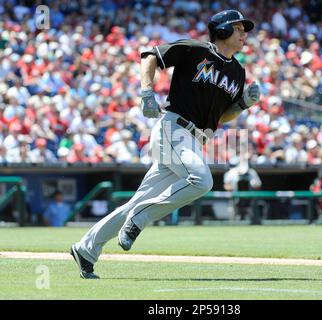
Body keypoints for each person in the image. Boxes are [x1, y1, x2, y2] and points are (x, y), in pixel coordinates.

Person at [70, 10, 260, 279]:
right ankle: (141, 218)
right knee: (201, 180)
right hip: (173, 129)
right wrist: (147, 92)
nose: (244, 34)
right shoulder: (195, 49)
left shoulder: (237, 72)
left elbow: (223, 115)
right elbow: (150, 56)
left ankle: (85, 249)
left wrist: (242, 105)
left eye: (245, 29)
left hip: (194, 140)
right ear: (222, 31)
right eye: (239, 28)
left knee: (137, 202)